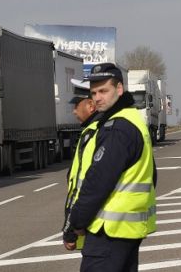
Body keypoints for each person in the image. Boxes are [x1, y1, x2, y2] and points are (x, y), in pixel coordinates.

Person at [65, 63, 157, 272]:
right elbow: (153, 175)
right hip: (126, 231)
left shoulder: (118, 128)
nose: (97, 98)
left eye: (103, 91)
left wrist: (76, 222)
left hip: (109, 232)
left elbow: (97, 182)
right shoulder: (132, 120)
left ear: (119, 89)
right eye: (94, 92)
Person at [63, 80, 100, 251]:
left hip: (96, 230)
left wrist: (70, 229)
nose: (74, 111)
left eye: (77, 105)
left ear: (91, 106)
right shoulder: (99, 130)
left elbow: (83, 187)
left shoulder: (94, 134)